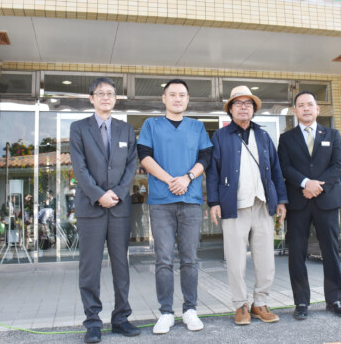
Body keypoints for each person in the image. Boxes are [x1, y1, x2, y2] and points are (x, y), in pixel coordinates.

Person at [206, 85, 288, 326]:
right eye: (238, 103)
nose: (244, 107)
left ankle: (260, 302)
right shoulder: (220, 136)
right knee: (235, 259)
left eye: (248, 103)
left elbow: (276, 169)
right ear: (230, 109)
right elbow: (213, 172)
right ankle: (240, 304)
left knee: (266, 258)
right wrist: (214, 202)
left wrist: (281, 200)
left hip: (262, 204)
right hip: (233, 205)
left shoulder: (263, 136)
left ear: (253, 109)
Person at [137, 79, 213, 335]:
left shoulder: (197, 127)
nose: (178, 99)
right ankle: (166, 312)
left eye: (182, 95)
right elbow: (144, 155)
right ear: (164, 98)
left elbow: (206, 157)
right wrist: (171, 180)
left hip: (190, 201)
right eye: (173, 94)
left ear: (188, 99)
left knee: (190, 259)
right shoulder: (151, 125)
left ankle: (190, 309)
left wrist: (187, 178)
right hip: (161, 201)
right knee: (164, 259)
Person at [70, 77, 139, 343]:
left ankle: (121, 318)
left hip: (119, 208)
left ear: (115, 98)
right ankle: (92, 322)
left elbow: (131, 166)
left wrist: (117, 193)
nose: (106, 97)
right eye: (100, 93)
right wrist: (99, 195)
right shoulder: (79, 128)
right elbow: (79, 167)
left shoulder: (126, 130)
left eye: (110, 93)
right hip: (90, 208)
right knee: (90, 267)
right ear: (92, 98)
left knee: (121, 265)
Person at [277, 91, 341, 320]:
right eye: (301, 105)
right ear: (295, 111)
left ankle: (335, 299)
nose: (306, 108)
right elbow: (284, 167)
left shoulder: (332, 134)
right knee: (297, 253)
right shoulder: (286, 138)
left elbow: (338, 165)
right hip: (299, 202)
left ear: (318, 109)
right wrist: (305, 183)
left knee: (331, 251)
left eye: (310, 104)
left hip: (327, 200)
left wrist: (317, 186)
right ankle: (301, 302)